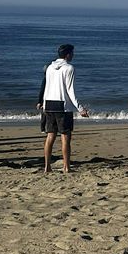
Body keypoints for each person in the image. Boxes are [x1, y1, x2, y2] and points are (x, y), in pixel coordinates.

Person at [41, 44, 88, 174]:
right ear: (68, 54)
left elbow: (47, 87)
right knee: (65, 137)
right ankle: (66, 167)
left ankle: (47, 166)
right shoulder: (69, 68)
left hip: (49, 103)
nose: (73, 55)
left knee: (50, 135)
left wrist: (44, 104)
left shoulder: (50, 67)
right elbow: (70, 90)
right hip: (62, 105)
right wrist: (80, 108)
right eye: (72, 53)